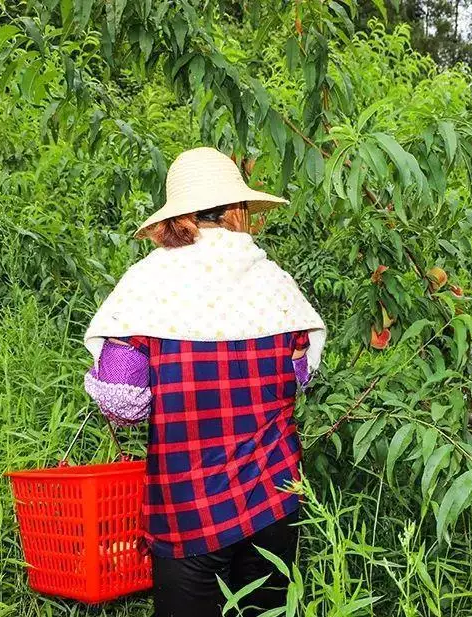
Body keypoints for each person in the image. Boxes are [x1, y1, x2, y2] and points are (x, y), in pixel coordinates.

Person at [82, 146, 326, 617]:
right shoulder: (275, 283)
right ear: (237, 211)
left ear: (176, 217)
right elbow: (300, 376)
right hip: (275, 501)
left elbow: (122, 403)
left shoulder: (147, 284)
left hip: (187, 506)